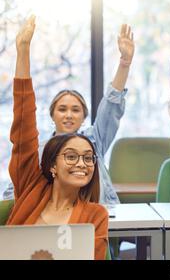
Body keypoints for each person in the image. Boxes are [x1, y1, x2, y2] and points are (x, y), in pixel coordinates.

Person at [6, 16, 108, 260]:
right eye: (71, 156)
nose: (82, 164)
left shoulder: (96, 214)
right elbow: (24, 130)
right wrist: (23, 51)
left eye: (88, 158)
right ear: (52, 165)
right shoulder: (31, 188)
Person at [3, 21, 135, 205]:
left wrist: (124, 63)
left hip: (99, 217)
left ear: (84, 118)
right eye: (62, 109)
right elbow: (13, 192)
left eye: (75, 110)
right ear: (52, 115)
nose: (69, 115)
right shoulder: (40, 149)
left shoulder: (94, 141)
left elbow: (111, 107)